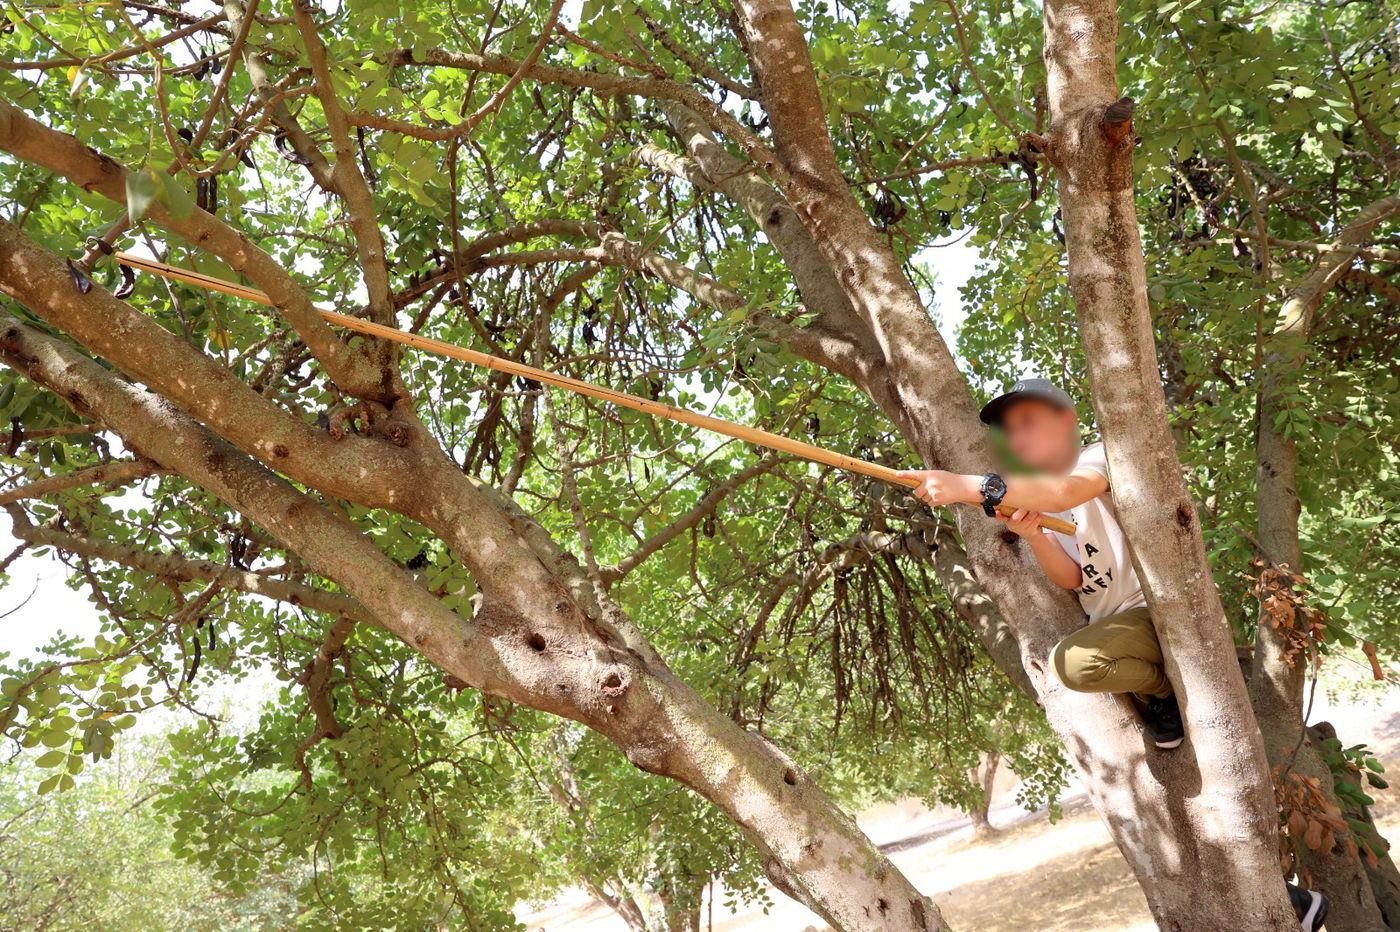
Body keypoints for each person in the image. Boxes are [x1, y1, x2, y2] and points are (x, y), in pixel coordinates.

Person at [897, 378, 1329, 929]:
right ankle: (1294, 900)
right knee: (1175, 796)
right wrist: (1033, 537)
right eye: (1009, 430)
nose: (1017, 436)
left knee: (1071, 663)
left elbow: (1064, 494)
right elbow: (1074, 577)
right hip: (1116, 629)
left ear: (1067, 421)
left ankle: (1163, 691)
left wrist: (970, 486)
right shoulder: (1046, 493)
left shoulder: (1099, 459)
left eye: (1029, 421)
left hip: (1155, 619)